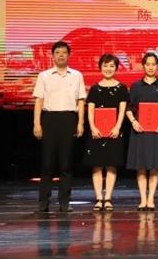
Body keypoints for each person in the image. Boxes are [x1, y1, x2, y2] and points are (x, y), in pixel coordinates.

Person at [32, 40, 86, 212]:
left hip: (69, 119)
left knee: (66, 164)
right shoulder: (44, 76)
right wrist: (37, 123)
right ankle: (43, 203)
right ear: (53, 56)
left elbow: (81, 101)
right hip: (49, 119)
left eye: (64, 52)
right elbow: (39, 101)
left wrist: (80, 122)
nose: (61, 55)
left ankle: (64, 202)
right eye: (57, 52)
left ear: (69, 55)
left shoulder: (76, 75)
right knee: (47, 163)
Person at [126, 52, 158, 211]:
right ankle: (143, 199)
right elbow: (129, 108)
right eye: (148, 64)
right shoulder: (136, 86)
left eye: (154, 64)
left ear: (157, 66)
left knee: (154, 166)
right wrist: (134, 122)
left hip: (157, 130)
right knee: (141, 166)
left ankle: (151, 199)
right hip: (140, 130)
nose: (151, 67)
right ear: (143, 66)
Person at [84, 54, 129, 211]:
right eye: (105, 65)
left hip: (114, 132)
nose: (108, 69)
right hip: (96, 132)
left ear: (116, 68)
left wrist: (117, 127)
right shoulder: (94, 88)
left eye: (111, 66)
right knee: (96, 166)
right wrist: (93, 128)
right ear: (100, 67)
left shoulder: (122, 88)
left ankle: (108, 198)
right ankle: (98, 198)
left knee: (111, 165)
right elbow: (90, 110)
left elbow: (122, 110)